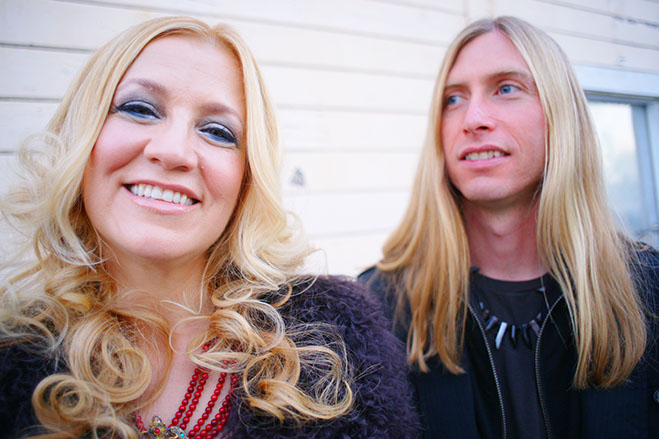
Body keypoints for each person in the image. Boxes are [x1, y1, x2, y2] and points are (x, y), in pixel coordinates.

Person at [0, 16, 418, 438]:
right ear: (81, 135)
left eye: (217, 132)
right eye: (139, 109)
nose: (173, 152)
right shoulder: (12, 354)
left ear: (246, 179)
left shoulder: (337, 338)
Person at [359, 16, 658, 439]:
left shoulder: (649, 291)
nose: (473, 118)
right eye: (453, 99)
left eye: (506, 88)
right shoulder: (378, 308)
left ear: (560, 116)